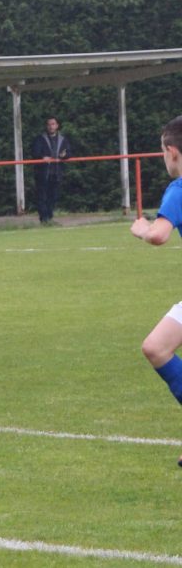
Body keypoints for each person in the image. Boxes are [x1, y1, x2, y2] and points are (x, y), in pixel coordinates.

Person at [131, 116, 182, 466]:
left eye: (162, 153)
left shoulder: (178, 188)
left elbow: (159, 235)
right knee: (155, 346)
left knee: (157, 347)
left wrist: (141, 229)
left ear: (172, 152)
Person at [31, 116, 72, 224]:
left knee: (53, 197)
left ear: (57, 126)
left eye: (53, 124)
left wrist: (64, 155)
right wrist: (42, 157)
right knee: (41, 197)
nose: (51, 126)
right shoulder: (40, 139)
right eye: (49, 124)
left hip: (57, 173)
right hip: (43, 173)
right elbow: (35, 153)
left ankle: (49, 218)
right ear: (46, 126)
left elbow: (69, 153)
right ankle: (44, 219)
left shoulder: (63, 139)